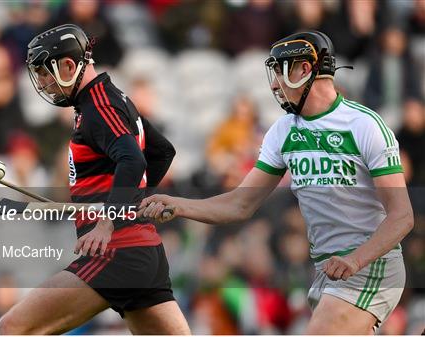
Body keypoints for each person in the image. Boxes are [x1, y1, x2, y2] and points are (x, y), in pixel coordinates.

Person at [140, 30, 414, 334]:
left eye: (280, 72)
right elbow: (239, 204)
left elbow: (402, 216)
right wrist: (177, 204)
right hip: (329, 271)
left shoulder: (365, 125)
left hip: (372, 265)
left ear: (305, 69)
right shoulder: (282, 131)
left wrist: (356, 260)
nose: (274, 84)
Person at [0, 24, 190, 334]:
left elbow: (133, 159)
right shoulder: (110, 98)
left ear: (69, 66)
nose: (44, 84)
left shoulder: (98, 106)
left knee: (13, 328)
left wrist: (107, 222)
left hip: (117, 253)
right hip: (144, 252)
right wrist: (130, 205)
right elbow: (162, 152)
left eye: (46, 73)